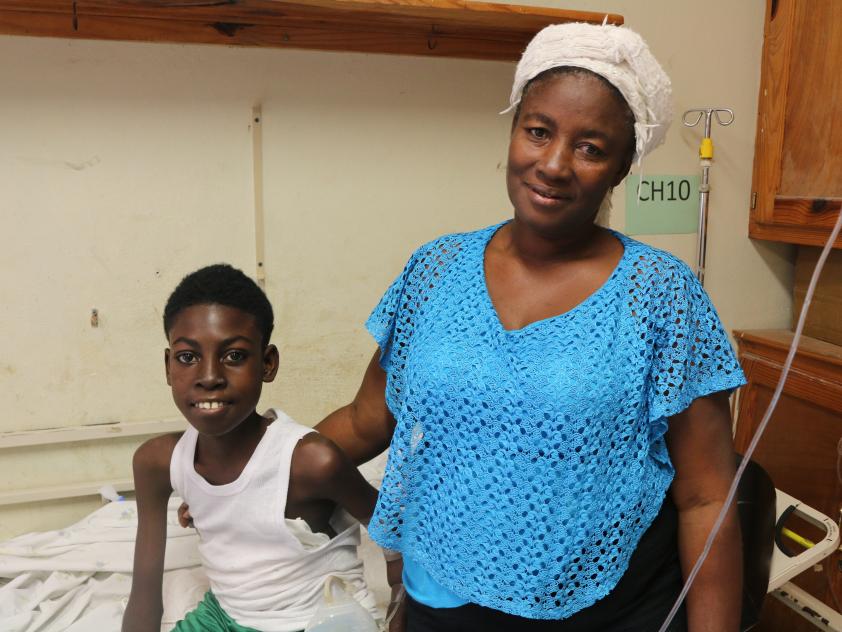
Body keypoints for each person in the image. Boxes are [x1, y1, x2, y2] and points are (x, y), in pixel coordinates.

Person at [316, 22, 746, 632]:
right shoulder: (435, 270)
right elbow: (366, 419)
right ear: (514, 128)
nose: (553, 164)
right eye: (538, 131)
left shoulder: (661, 295)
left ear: (623, 167)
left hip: (607, 609)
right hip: (444, 602)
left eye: (591, 147)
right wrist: (247, 474)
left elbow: (706, 497)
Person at [123, 264, 381, 632]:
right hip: (225, 615)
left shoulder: (310, 460)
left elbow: (392, 527)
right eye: (187, 357)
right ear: (168, 367)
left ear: (267, 363)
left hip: (317, 619)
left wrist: (401, 594)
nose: (210, 376)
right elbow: (144, 594)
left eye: (234, 356)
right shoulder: (156, 462)